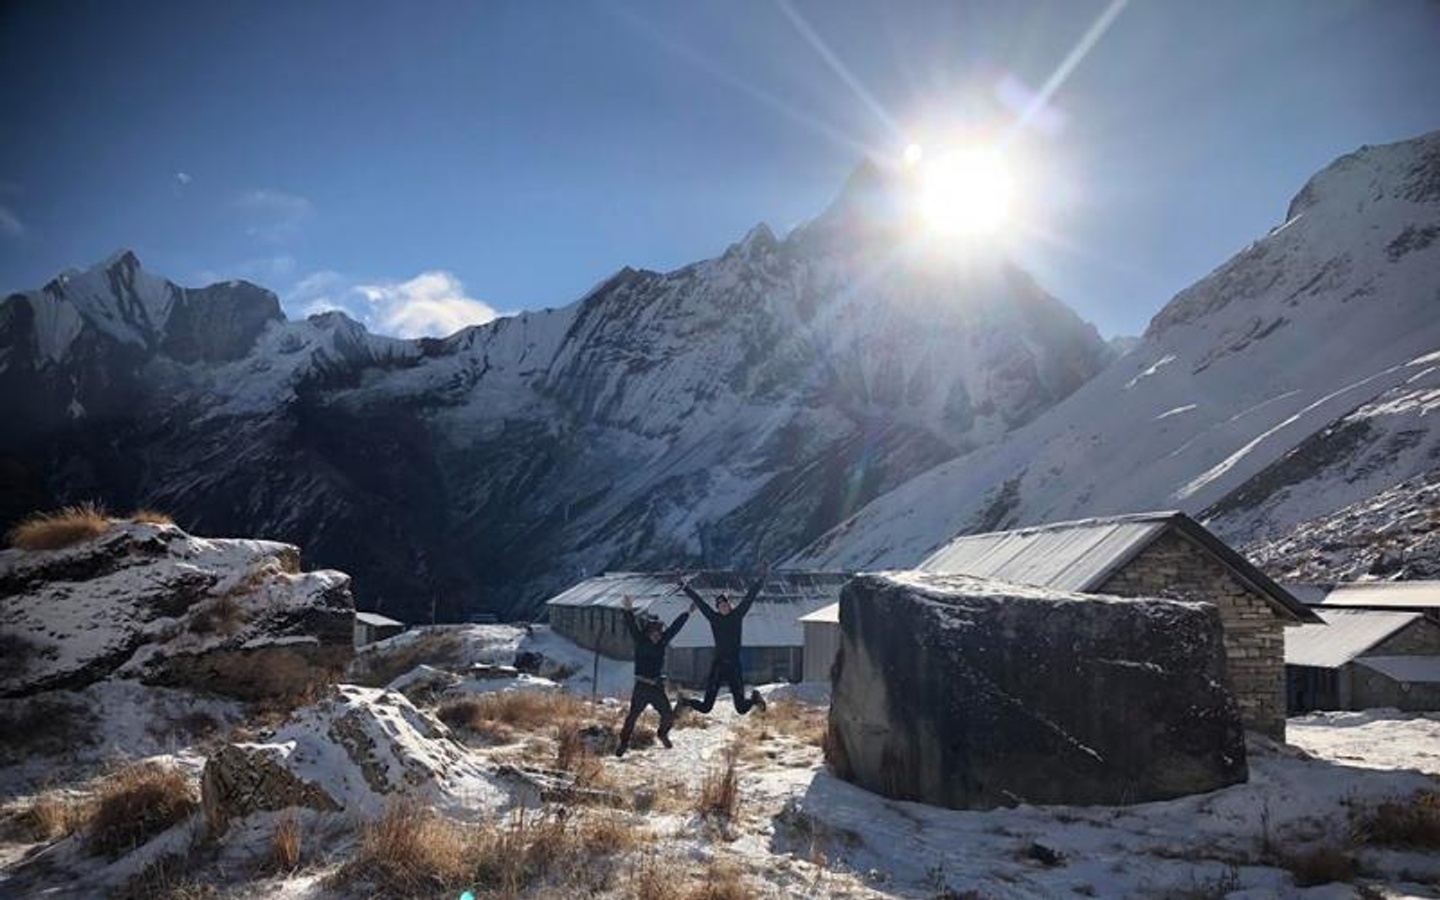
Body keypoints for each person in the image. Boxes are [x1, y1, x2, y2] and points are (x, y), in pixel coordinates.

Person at [678, 564, 770, 716]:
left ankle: (754, 698)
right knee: (706, 707)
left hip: (734, 665)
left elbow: (750, 597)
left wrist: (762, 578)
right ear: (717, 607)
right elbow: (700, 603)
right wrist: (684, 587)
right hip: (718, 666)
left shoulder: (737, 615)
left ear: (730, 605)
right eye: (721, 605)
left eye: (726, 604)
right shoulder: (714, 618)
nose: (724, 607)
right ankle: (685, 702)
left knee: (741, 709)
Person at [616, 593, 690, 757]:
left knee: (668, 715)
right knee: (632, 717)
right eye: (654, 632)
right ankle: (623, 743)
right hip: (641, 686)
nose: (657, 635)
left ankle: (662, 734)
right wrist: (627, 608)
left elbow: (675, 628)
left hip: (657, 686)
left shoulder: (663, 641)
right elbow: (631, 625)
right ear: (648, 632)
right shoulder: (640, 641)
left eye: (659, 632)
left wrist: (687, 613)